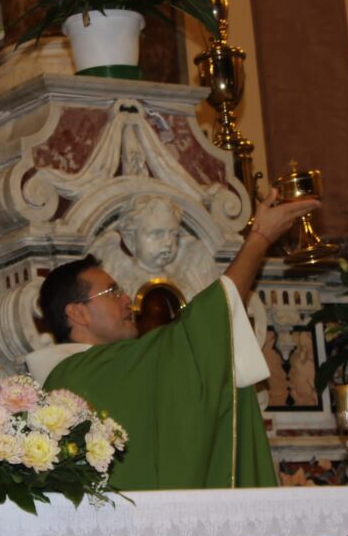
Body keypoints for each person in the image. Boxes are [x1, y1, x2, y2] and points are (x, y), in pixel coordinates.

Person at [27, 190, 322, 490]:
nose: (128, 298)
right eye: (113, 292)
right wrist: (259, 238)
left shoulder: (113, 367)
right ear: (78, 313)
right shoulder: (76, 373)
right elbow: (198, 334)